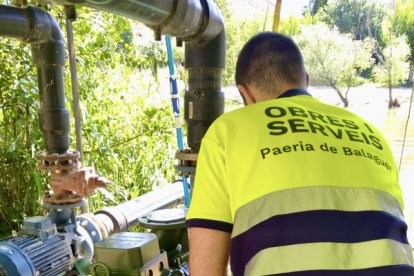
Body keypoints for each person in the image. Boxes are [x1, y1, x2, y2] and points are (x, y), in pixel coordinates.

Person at [185, 32, 414, 275]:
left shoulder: (227, 130)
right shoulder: (371, 133)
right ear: (305, 80)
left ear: (245, 94)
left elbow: (205, 269)